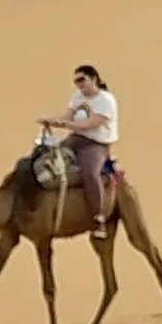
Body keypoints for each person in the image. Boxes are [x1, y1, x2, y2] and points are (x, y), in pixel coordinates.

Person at [37, 64, 118, 239]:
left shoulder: (105, 100)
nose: (78, 84)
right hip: (76, 140)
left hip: (96, 144)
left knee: (89, 173)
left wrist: (69, 125)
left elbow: (94, 123)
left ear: (94, 79)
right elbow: (66, 116)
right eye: (76, 81)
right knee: (48, 156)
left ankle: (99, 218)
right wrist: (51, 121)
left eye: (82, 79)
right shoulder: (77, 98)